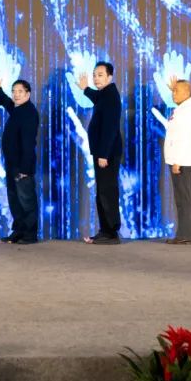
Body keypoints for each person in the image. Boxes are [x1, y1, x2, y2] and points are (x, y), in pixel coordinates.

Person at [0, 77, 40, 245]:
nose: (16, 95)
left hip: (22, 166)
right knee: (14, 200)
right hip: (12, 164)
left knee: (26, 200)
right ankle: (19, 231)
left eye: (20, 91)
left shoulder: (29, 112)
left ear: (28, 94)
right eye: (14, 91)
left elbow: (28, 143)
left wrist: (25, 169)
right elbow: (5, 101)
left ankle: (30, 234)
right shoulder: (17, 108)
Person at [78, 62, 122, 245]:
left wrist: (104, 154)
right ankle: (105, 230)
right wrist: (85, 89)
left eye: (100, 75)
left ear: (110, 77)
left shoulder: (110, 95)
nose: (96, 78)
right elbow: (97, 98)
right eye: (95, 75)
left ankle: (111, 232)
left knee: (107, 192)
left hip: (107, 154)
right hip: (102, 152)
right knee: (102, 191)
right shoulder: (105, 94)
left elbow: (110, 128)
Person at [164, 78, 191, 244]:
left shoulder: (189, 109)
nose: (173, 94)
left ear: (187, 92)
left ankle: (187, 236)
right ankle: (183, 234)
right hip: (178, 160)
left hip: (182, 161)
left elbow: (186, 137)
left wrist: (177, 160)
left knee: (184, 199)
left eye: (176, 91)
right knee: (181, 200)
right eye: (173, 91)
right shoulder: (183, 107)